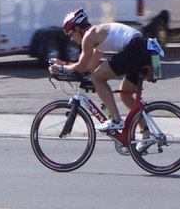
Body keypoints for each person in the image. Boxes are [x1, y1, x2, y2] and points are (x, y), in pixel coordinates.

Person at [49, 8, 157, 150]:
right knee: (125, 95)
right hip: (143, 49)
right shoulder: (97, 37)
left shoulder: (89, 36)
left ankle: (116, 120)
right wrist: (67, 65)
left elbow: (81, 66)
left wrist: (62, 69)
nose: (71, 38)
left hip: (136, 49)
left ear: (77, 28)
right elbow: (88, 67)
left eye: (70, 34)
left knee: (98, 79)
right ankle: (146, 134)